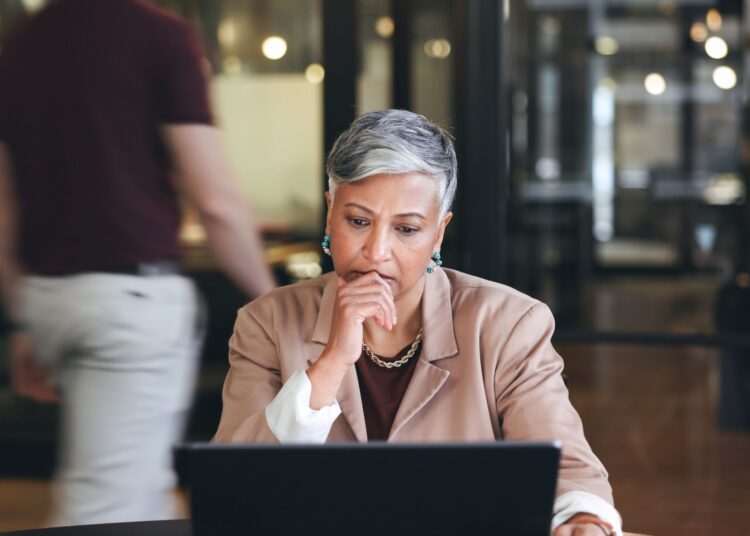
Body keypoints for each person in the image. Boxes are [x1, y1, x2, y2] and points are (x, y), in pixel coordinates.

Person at [214, 109, 622, 535]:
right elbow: (232, 483)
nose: (376, 252)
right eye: (358, 222)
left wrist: (581, 521)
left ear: (439, 234)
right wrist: (331, 362)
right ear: (330, 212)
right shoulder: (266, 322)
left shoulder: (509, 324)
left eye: (406, 230)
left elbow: (567, 468)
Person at [0, 0, 275, 526]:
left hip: (47, 298)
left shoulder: (22, 43)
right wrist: (272, 302)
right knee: (105, 509)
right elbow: (215, 202)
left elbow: (5, 202)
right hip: (127, 307)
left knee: (142, 490)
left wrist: (21, 318)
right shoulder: (160, 36)